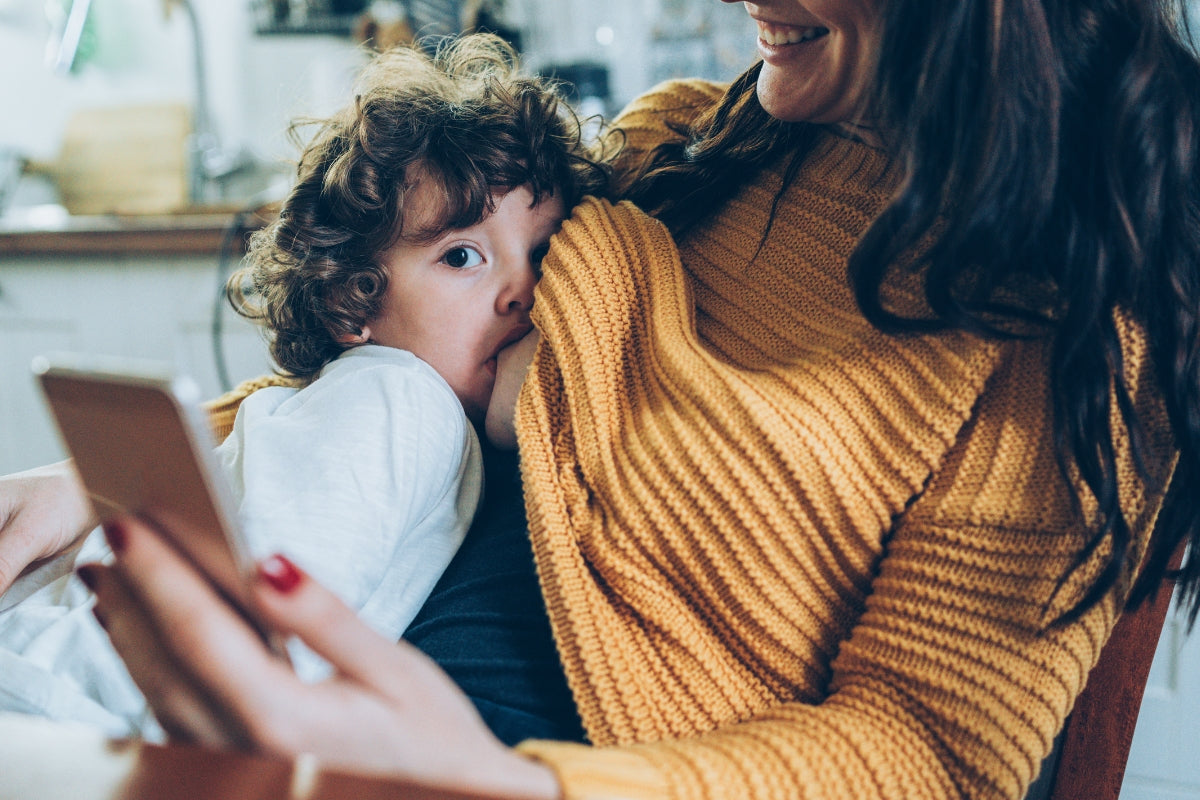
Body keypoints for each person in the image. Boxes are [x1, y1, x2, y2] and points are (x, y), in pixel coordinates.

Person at [2, 0, 1199, 797]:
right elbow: (417, 363)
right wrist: (103, 479)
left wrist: (520, 784)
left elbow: (926, 748)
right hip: (297, 692)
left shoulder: (1075, 326)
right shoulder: (686, 148)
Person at [0, 32, 605, 738]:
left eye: (542, 252)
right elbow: (234, 627)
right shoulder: (397, 402)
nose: (523, 293)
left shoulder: (395, 408)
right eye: (463, 255)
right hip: (57, 699)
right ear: (355, 301)